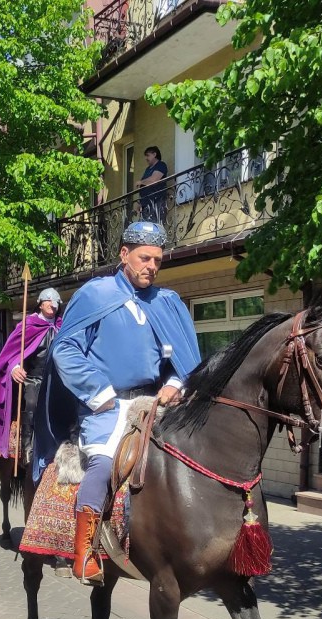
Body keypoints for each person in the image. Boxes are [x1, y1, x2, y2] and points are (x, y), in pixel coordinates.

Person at [36, 220, 200, 583]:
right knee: (104, 463)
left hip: (154, 402)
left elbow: (188, 360)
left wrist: (175, 382)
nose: (152, 267)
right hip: (106, 405)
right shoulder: (96, 294)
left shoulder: (167, 302)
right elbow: (66, 349)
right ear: (124, 254)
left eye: (158, 260)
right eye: (145, 258)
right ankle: (84, 553)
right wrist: (101, 394)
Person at [0, 287, 63, 460]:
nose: (52, 305)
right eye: (48, 301)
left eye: (55, 302)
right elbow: (10, 354)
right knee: (33, 403)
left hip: (57, 379)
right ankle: (27, 447)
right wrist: (15, 368)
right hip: (33, 378)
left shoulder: (62, 327)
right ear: (40, 304)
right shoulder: (28, 325)